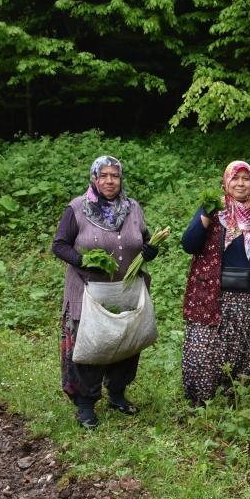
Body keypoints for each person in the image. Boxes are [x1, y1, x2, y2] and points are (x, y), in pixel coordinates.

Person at [52, 155, 159, 429]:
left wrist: (150, 251)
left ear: (121, 179)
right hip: (89, 290)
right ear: (94, 178)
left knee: (126, 342)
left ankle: (117, 394)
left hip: (125, 289)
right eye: (104, 175)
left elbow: (143, 241)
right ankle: (85, 405)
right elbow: (60, 245)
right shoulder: (78, 208)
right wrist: (83, 261)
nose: (109, 180)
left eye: (115, 175)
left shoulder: (132, 208)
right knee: (90, 344)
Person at [181, 161, 250, 405]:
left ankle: (233, 399)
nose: (240, 184)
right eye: (235, 179)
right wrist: (205, 216)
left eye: (245, 178)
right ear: (225, 182)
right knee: (204, 350)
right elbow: (189, 245)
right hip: (214, 299)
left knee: (242, 352)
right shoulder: (213, 212)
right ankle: (200, 401)